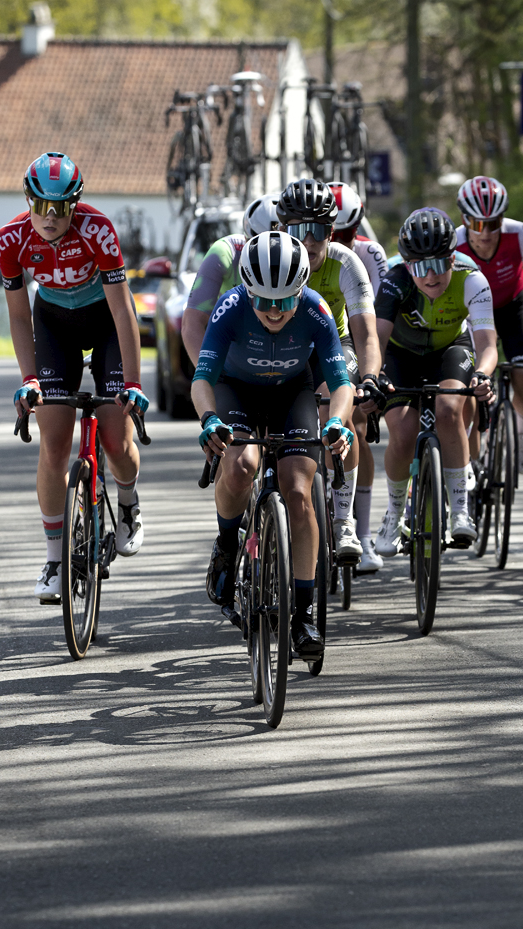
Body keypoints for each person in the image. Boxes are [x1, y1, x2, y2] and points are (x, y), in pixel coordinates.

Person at [191, 230, 354, 661]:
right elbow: (202, 380)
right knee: (240, 464)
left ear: (301, 289)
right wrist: (210, 420)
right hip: (236, 390)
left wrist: (337, 420)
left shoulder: (317, 311)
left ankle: (302, 614)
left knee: (299, 490)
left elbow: (341, 383)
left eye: (285, 301)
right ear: (247, 289)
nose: (274, 310)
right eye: (263, 300)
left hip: (291, 392)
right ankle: (227, 545)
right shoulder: (230, 308)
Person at [0, 151, 149, 602]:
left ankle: (128, 502)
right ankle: (55, 559)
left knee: (117, 441)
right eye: (40, 206)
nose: (49, 217)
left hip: (104, 322)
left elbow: (123, 309)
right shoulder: (10, 240)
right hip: (54, 325)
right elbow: (20, 317)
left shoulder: (97, 229)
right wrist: (29, 376)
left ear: (75, 205)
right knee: (55, 443)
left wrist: (133, 384)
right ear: (28, 200)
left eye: (60, 208)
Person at [374, 210, 497, 552]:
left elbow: (487, 343)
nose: (430, 277)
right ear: (407, 264)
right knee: (402, 430)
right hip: (401, 355)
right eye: (419, 266)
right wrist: (372, 376)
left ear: (453, 258)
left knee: (448, 409)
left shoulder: (472, 279)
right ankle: (394, 515)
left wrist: (483, 374)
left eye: (439, 265)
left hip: (450, 350)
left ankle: (459, 510)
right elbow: (377, 340)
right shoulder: (394, 281)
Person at [276, 179, 383, 567]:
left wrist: (369, 377)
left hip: (333, 346)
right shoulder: (268, 258)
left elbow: (367, 334)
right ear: (280, 230)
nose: (308, 242)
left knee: (336, 411)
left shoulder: (345, 262)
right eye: (297, 230)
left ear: (331, 232)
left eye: (317, 231)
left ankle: (342, 520)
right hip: (281, 351)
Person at [454, 175, 523, 472]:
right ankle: (475, 452)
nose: (487, 232)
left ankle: (519, 430)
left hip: (514, 305)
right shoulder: (454, 245)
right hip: (471, 313)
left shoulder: (522, 235)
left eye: (494, 223)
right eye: (478, 224)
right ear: (465, 220)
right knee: (470, 386)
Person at [327, 181, 389, 572]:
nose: (342, 242)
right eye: (335, 234)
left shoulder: (369, 254)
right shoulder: (306, 252)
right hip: (312, 338)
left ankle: (361, 534)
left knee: (358, 425)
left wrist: (373, 376)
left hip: (352, 338)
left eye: (349, 234)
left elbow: (379, 323)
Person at [181, 193, 280, 366]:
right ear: (246, 239)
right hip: (236, 348)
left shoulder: (305, 256)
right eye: (259, 247)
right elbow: (192, 323)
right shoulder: (225, 252)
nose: (269, 256)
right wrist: (208, 375)